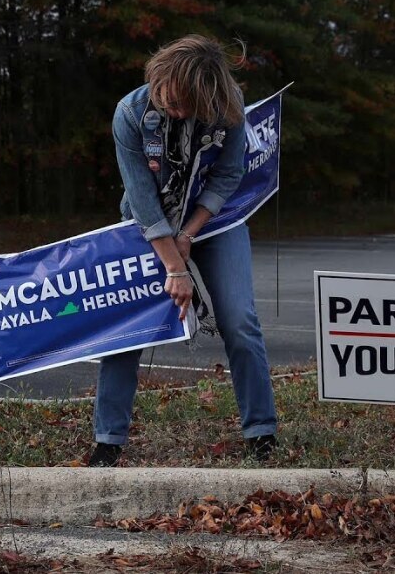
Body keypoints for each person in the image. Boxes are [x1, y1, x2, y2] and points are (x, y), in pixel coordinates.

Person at [88, 34, 278, 467]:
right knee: (127, 328)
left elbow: (228, 175)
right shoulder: (129, 113)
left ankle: (261, 432)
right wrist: (175, 267)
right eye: (169, 101)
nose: (175, 111)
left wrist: (189, 234)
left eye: (186, 106)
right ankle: (108, 440)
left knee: (240, 320)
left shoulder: (227, 104)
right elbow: (141, 197)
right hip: (147, 224)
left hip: (214, 220)